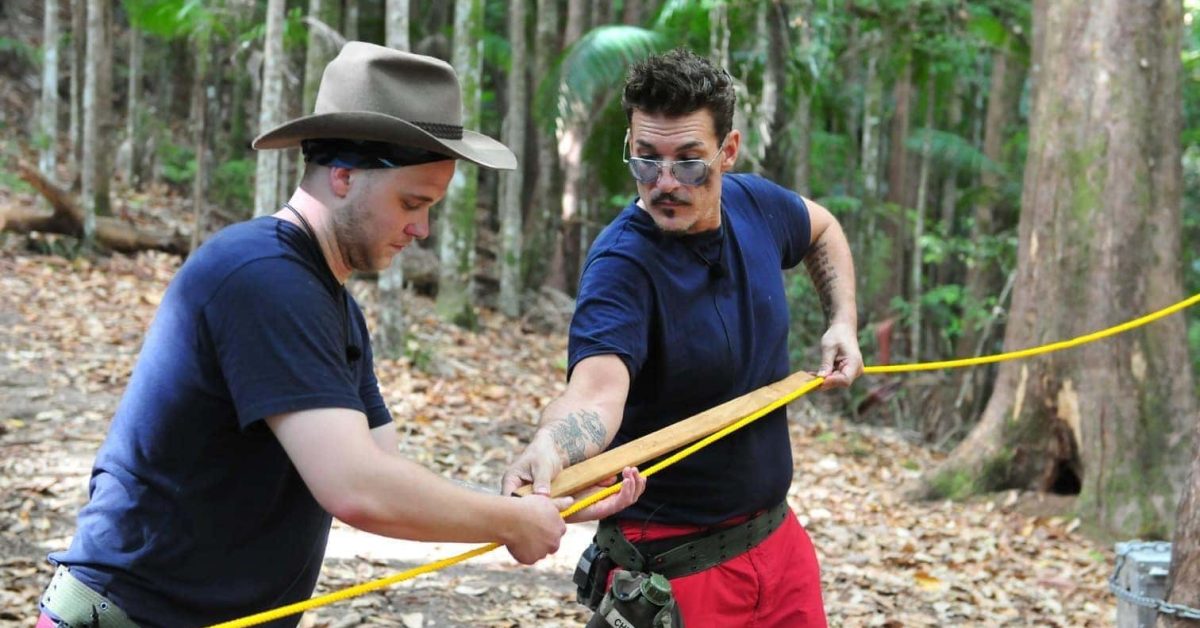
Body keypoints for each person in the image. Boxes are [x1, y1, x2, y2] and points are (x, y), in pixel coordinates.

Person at [36, 42, 644, 628]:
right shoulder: (262, 278)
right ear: (346, 175)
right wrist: (508, 524)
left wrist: (543, 502)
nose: (423, 229)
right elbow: (357, 489)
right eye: (413, 201)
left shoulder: (328, 304)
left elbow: (385, 474)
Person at [501, 49, 864, 628]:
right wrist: (550, 449)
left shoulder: (756, 204)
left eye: (690, 162)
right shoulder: (622, 265)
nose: (665, 183)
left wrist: (842, 320)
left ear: (729, 150)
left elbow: (824, 229)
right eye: (646, 161)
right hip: (673, 569)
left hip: (778, 542)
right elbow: (594, 395)